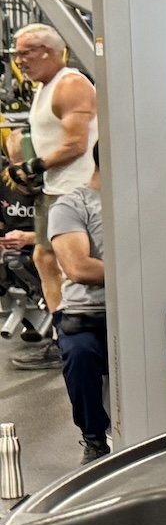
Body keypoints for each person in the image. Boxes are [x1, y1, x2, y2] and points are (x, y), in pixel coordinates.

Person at [5, 25, 97, 373]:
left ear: (49, 50)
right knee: (44, 259)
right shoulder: (45, 87)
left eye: (25, 52)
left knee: (72, 267)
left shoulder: (71, 85)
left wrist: (35, 165)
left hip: (76, 190)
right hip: (55, 188)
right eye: (16, 53)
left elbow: (76, 143)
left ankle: (74, 340)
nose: (19, 61)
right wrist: (29, 170)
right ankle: (62, 337)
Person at [46, 148, 107, 463]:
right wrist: (140, 274)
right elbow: (78, 268)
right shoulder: (71, 205)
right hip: (87, 313)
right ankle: (94, 440)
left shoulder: (146, 202)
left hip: (142, 307)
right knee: (80, 353)